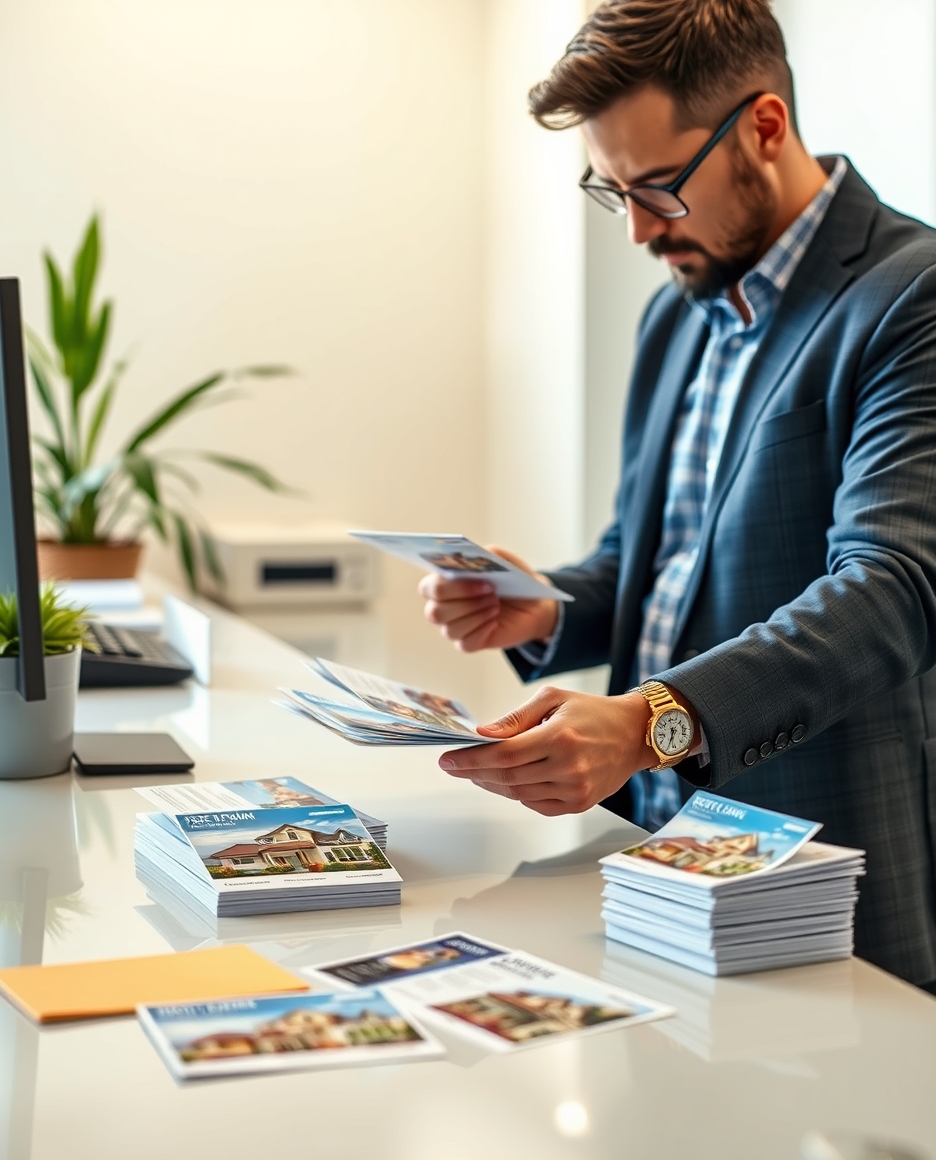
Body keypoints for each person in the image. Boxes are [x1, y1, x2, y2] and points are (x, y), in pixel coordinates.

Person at [417, 0, 936, 989]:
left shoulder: (912, 295)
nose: (643, 233)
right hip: (645, 862)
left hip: (818, 882)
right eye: (615, 193)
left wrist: (648, 719)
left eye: (660, 189)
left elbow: (892, 589)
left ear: (765, 126)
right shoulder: (677, 315)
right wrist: (554, 604)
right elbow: (654, 564)